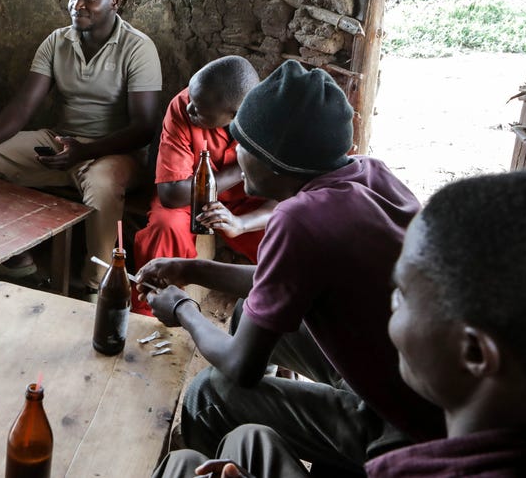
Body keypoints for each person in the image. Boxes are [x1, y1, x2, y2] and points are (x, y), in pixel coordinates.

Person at [181, 169, 526, 478]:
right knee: (248, 441)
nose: (388, 312)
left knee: (188, 462)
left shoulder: (400, 469)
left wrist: (184, 309)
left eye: (400, 296)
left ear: (475, 353)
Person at [144, 60, 444, 478]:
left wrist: (182, 310)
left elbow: (242, 366)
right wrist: (191, 269)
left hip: (399, 424)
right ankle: (255, 434)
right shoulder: (370, 175)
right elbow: (282, 281)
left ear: (272, 161)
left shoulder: (301, 219)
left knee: (210, 393)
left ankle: (204, 466)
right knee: (244, 313)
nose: (235, 156)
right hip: (414, 381)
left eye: (241, 144)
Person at [0, 0, 162, 295]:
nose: (77, 5)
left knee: (103, 184)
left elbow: (145, 128)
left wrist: (87, 151)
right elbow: (23, 107)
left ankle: (99, 286)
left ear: (115, 2)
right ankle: (17, 254)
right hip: (62, 142)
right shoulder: (57, 41)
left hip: (116, 150)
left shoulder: (137, 48)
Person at [132, 56, 274, 316]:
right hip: (189, 199)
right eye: (192, 99)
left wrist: (240, 223)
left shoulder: (274, 121)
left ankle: (276, 319)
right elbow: (172, 194)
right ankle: (147, 314)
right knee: (167, 226)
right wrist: (242, 169)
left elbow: (286, 203)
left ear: (235, 114)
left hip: (245, 203)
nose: (189, 110)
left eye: (199, 109)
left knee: (282, 242)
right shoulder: (185, 104)